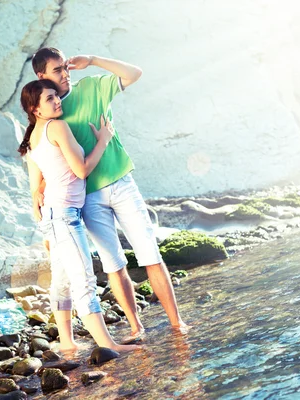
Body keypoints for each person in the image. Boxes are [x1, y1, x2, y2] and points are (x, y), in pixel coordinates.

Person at [31, 47, 187, 342]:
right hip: (87, 198)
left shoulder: (91, 87)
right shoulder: (49, 114)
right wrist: (39, 187)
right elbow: (43, 153)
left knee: (150, 255)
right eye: (57, 70)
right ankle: (135, 327)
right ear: (41, 76)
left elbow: (134, 73)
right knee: (114, 264)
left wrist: (93, 61)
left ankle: (177, 324)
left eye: (65, 67)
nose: (64, 74)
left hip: (121, 181)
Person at [18, 79, 137, 353]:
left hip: (52, 216)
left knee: (62, 279)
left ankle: (67, 342)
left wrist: (46, 227)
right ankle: (108, 344)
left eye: (56, 96)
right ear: (35, 108)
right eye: (49, 99)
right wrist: (104, 141)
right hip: (64, 216)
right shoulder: (57, 127)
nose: (57, 101)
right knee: (83, 279)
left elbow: (35, 190)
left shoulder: (32, 138)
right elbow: (82, 170)